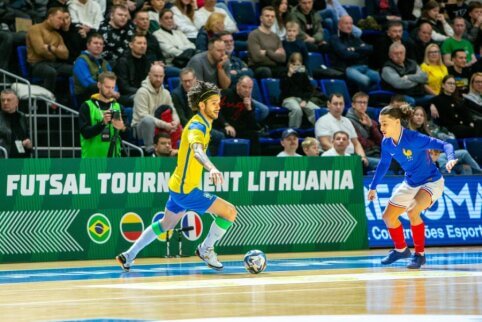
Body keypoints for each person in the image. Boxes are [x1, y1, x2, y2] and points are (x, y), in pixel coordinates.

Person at [116, 81, 237, 272]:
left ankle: (129, 255)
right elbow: (197, 151)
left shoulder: (204, 123)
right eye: (213, 102)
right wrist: (211, 168)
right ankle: (206, 249)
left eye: (218, 101)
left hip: (177, 186)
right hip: (187, 190)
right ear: (202, 105)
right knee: (229, 212)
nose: (218, 105)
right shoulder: (197, 126)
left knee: (166, 223)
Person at [367, 104, 458, 269]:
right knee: (388, 217)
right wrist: (373, 187)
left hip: (431, 181)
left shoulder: (414, 138)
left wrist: (450, 158)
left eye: (385, 123)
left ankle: (420, 255)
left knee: (413, 210)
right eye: (380, 123)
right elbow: (383, 164)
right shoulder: (386, 143)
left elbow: (446, 145)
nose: (381, 128)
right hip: (410, 182)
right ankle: (401, 249)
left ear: (396, 122)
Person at [408, 105, 481, 175]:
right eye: (416, 115)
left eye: (422, 115)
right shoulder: (409, 133)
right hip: (424, 161)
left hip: (436, 156)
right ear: (411, 117)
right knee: (444, 162)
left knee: (464, 155)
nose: (419, 117)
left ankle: (480, 173)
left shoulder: (425, 131)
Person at [132, 64, 181, 154]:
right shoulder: (142, 92)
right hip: (140, 129)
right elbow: (143, 116)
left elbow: (173, 111)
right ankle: (150, 151)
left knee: (179, 126)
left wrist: (175, 122)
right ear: (149, 75)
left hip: (161, 126)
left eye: (161, 76)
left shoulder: (166, 93)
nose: (158, 79)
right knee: (148, 120)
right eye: (155, 76)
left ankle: (173, 152)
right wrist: (166, 125)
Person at [79, 71, 127, 158]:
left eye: (113, 87)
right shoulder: (87, 106)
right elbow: (85, 133)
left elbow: (127, 132)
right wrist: (102, 123)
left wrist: (122, 127)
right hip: (92, 160)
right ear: (99, 85)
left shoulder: (118, 107)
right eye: (107, 87)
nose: (110, 91)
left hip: (114, 159)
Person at [280, 52, 320, 128]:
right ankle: (293, 132)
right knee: (296, 109)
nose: (296, 67)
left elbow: (309, 90)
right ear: (289, 64)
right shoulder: (284, 73)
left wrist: (305, 100)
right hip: (288, 99)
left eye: (298, 65)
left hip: (301, 99)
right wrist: (289, 75)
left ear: (301, 65)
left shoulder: (303, 74)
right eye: (294, 64)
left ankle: (318, 130)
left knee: (316, 110)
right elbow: (284, 89)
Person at [0, 89, 33, 158]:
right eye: (3, 100)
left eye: (9, 100)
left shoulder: (22, 117)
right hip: (5, 160)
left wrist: (29, 144)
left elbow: (27, 136)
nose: (5, 103)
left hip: (23, 159)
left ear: (16, 102)